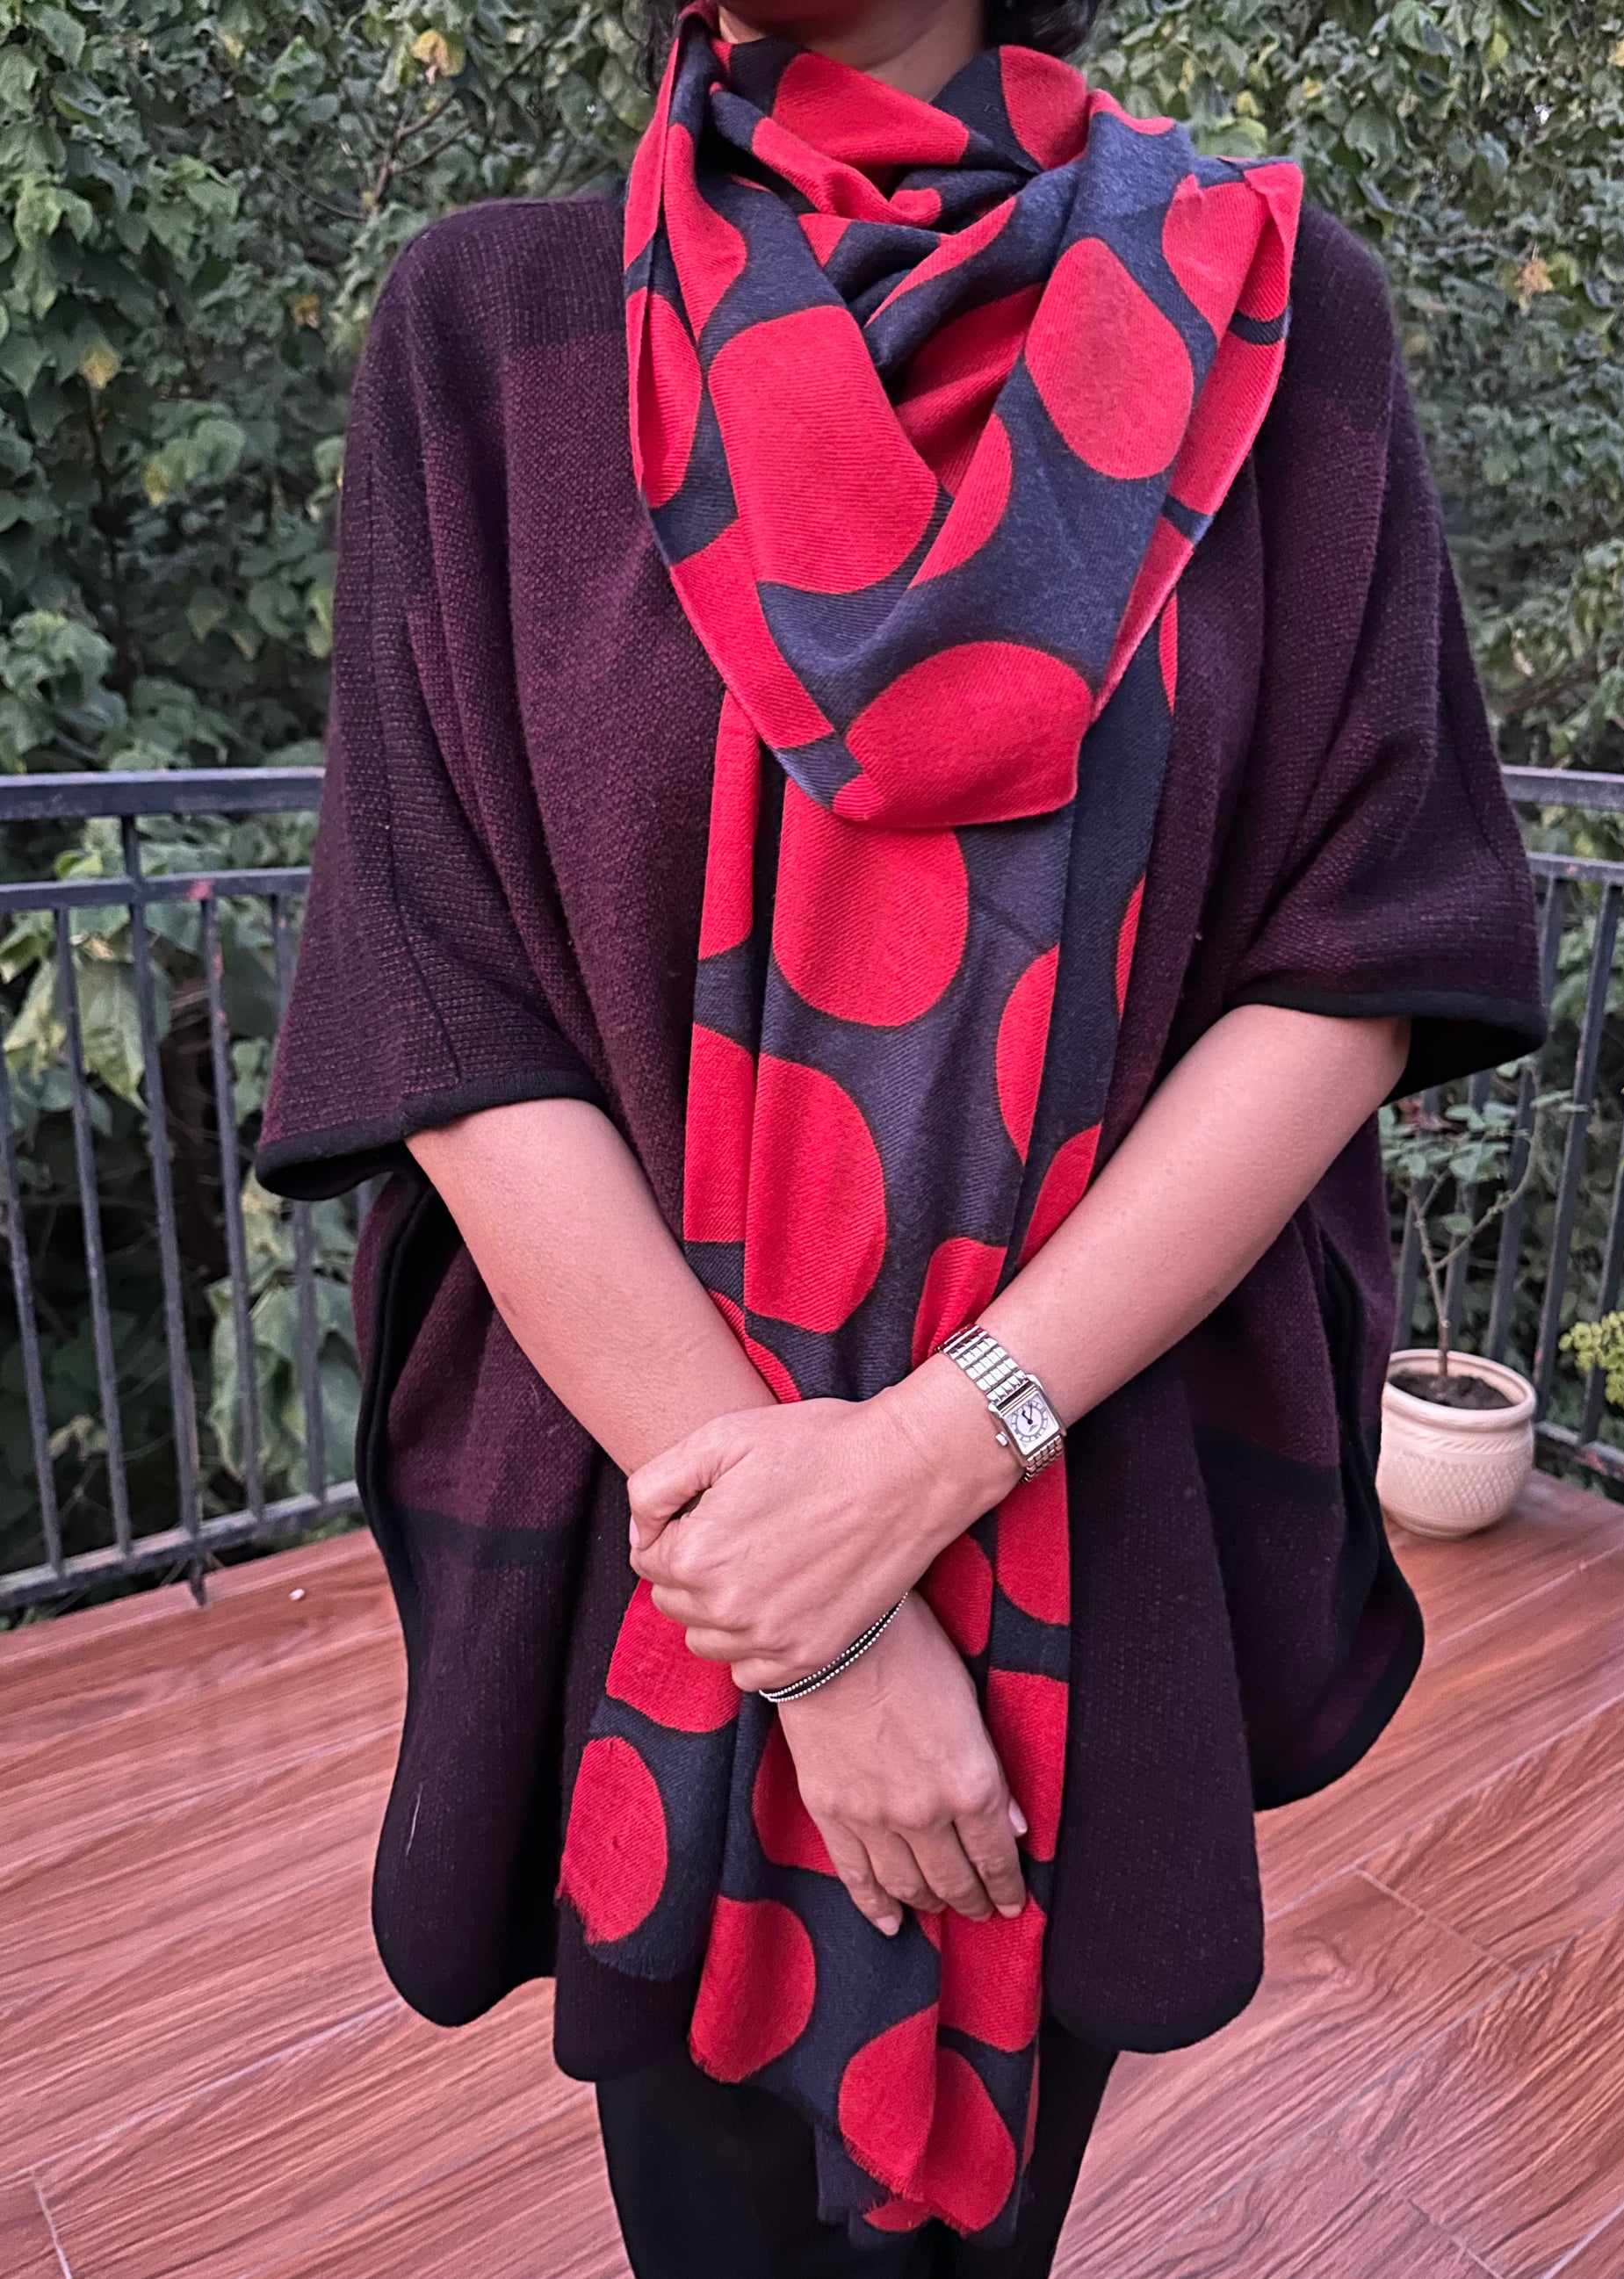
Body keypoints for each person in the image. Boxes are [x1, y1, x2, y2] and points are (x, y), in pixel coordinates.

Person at [257, 0, 1544, 2268]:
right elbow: (440, 998)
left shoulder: (1279, 325)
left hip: (1085, 1516)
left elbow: (1356, 952)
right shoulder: (494, 334)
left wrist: (936, 1454)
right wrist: (822, 1632)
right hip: (668, 1553)